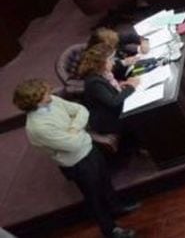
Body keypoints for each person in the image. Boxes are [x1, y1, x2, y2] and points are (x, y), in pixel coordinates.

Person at [14, 79, 139, 238]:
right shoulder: (38, 127)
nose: (50, 93)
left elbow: (81, 110)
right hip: (77, 163)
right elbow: (72, 145)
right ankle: (110, 230)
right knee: (94, 198)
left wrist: (73, 127)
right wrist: (80, 130)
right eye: (45, 93)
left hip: (89, 149)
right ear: (34, 100)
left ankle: (116, 207)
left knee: (105, 181)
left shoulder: (53, 101)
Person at [79, 44, 140, 136]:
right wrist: (131, 87)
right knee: (143, 116)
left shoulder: (103, 73)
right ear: (101, 63)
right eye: (110, 60)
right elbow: (113, 102)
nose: (114, 63)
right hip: (107, 120)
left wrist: (120, 86)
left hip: (112, 112)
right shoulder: (94, 82)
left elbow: (108, 91)